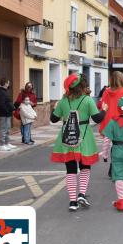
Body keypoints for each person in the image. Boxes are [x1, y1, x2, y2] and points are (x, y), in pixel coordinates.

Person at [50, 74, 106, 211]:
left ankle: (72, 202)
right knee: (85, 167)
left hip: (67, 138)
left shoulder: (63, 101)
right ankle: (81, 194)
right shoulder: (87, 100)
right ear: (82, 86)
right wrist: (104, 110)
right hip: (84, 138)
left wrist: (54, 107)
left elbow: (53, 119)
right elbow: (98, 119)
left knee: (70, 170)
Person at [0, 78, 16, 151]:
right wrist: (7, 111)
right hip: (3, 114)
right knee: (3, 129)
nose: (9, 84)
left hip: (7, 113)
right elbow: (1, 104)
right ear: (5, 83)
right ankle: (2, 145)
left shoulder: (4, 91)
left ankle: (7, 143)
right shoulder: (0, 92)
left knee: (7, 129)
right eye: (8, 83)